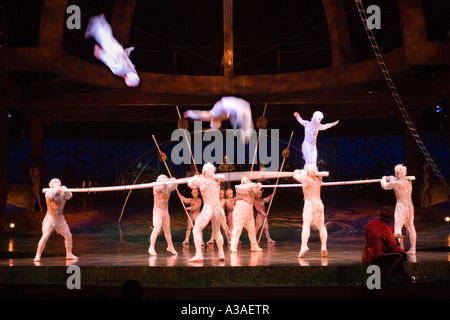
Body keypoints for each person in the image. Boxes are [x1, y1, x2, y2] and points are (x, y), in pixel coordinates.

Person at [186, 163, 229, 262]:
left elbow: (190, 184)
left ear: (205, 171)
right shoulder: (216, 181)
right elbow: (221, 176)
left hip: (209, 206)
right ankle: (221, 253)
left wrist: (196, 177)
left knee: (196, 228)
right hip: (217, 207)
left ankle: (199, 254)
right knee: (217, 231)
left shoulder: (202, 181)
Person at [362, 206, 414, 283]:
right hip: (377, 256)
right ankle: (390, 276)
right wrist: (400, 243)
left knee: (394, 256)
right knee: (401, 256)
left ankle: (405, 276)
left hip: (367, 255)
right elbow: (393, 247)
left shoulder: (370, 224)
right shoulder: (386, 230)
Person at [85, 14, 140, 87]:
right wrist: (100, 55)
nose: (130, 86)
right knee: (106, 38)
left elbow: (122, 69)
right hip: (114, 52)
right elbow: (111, 62)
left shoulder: (131, 70)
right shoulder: (121, 70)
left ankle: (98, 23)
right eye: (131, 85)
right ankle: (98, 22)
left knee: (107, 38)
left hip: (118, 50)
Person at [34, 178, 77, 262]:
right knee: (45, 236)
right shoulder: (48, 192)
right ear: (50, 185)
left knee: (68, 236)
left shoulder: (63, 192)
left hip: (60, 219)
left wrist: (66, 190)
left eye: (58, 182)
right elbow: (50, 197)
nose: (57, 183)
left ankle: (69, 254)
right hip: (50, 218)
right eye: (55, 182)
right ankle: (38, 255)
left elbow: (70, 196)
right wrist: (56, 189)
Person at [184, 96, 254, 144]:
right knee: (245, 123)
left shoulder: (214, 114)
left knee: (246, 123)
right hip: (238, 106)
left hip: (232, 105)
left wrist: (190, 113)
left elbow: (203, 115)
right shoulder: (224, 116)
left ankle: (245, 134)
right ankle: (245, 135)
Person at [293, 164, 328, 258]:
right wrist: (303, 172)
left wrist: (297, 171)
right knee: (321, 226)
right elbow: (308, 174)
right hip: (319, 204)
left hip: (310, 204)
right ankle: (324, 247)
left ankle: (304, 246)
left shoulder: (306, 179)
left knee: (306, 225)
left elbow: (295, 176)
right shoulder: (319, 179)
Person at [380, 164, 417, 255]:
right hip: (410, 206)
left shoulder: (396, 183)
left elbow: (384, 186)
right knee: (411, 226)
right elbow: (398, 179)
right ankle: (413, 249)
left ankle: (399, 249)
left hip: (401, 206)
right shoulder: (408, 182)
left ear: (397, 173)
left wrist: (383, 178)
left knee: (398, 227)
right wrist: (392, 177)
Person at [229, 177, 263, 253]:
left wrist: (258, 186)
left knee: (252, 229)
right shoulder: (239, 187)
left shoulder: (250, 188)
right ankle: (233, 246)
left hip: (249, 211)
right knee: (237, 229)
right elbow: (245, 188)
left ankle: (254, 246)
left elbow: (256, 189)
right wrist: (253, 184)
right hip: (240, 212)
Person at [148, 175, 178, 256]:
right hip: (157, 210)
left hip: (165, 210)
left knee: (167, 229)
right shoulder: (156, 185)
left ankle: (170, 246)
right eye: (163, 179)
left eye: (165, 179)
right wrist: (165, 182)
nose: (165, 180)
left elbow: (175, 186)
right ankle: (151, 247)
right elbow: (158, 188)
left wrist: (173, 180)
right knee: (157, 229)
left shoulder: (168, 187)